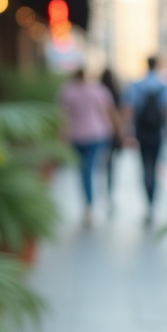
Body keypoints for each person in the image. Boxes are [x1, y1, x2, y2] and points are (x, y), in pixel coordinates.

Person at [57, 68, 119, 224]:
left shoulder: (67, 91)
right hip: (96, 135)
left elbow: (63, 116)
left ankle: (89, 205)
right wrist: (113, 131)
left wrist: (62, 137)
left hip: (77, 136)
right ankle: (90, 204)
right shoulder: (98, 90)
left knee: (84, 170)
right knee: (88, 170)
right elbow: (106, 113)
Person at [123, 56, 167, 223]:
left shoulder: (137, 85)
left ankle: (148, 202)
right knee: (156, 166)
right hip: (157, 132)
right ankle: (152, 201)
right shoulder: (163, 85)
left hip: (142, 132)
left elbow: (129, 109)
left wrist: (128, 131)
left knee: (146, 166)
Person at [99, 68, 122, 207]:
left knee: (101, 163)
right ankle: (109, 191)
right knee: (111, 165)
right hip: (111, 132)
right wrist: (120, 132)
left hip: (100, 133)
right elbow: (117, 113)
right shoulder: (115, 92)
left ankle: (102, 191)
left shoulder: (99, 91)